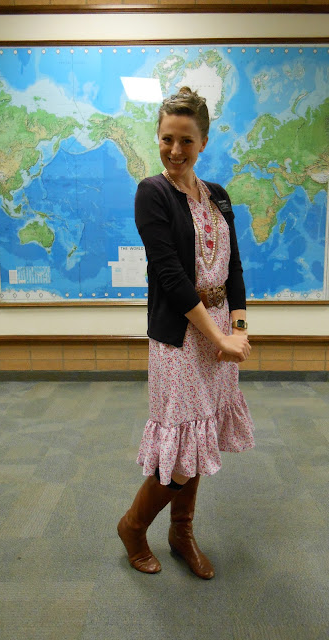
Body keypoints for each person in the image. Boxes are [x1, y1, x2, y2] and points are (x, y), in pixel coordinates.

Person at [118, 87, 255, 580]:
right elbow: (171, 276)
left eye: (186, 141)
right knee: (180, 448)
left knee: (202, 436)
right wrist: (219, 340)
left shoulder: (218, 195)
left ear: (203, 142)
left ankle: (182, 532)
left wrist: (239, 328)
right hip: (181, 336)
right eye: (166, 139)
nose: (175, 151)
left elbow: (234, 266)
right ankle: (133, 527)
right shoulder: (151, 193)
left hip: (219, 332)